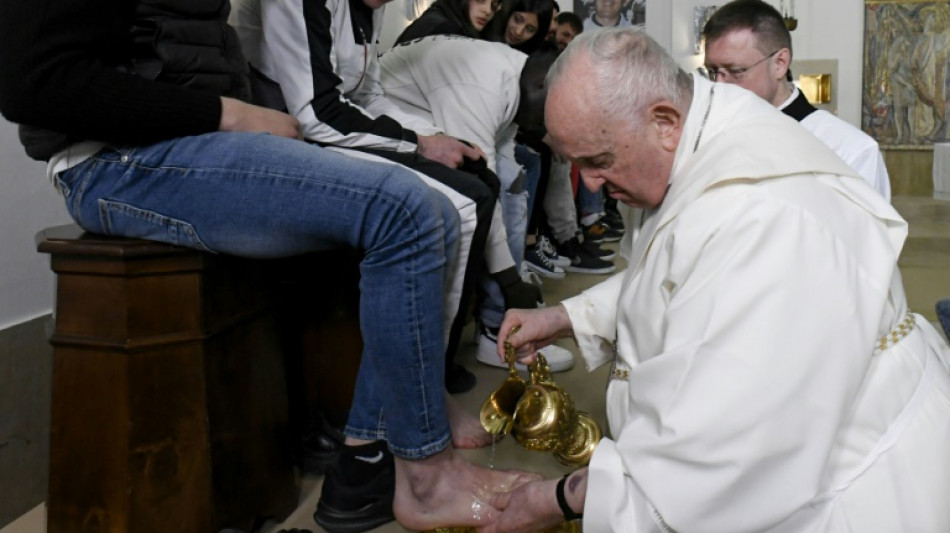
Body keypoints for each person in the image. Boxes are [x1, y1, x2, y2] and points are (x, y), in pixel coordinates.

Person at [0, 1, 539, 533]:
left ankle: (365, 462)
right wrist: (230, 113)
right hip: (114, 158)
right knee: (406, 211)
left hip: (188, 137)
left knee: (437, 211)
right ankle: (426, 478)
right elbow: (36, 84)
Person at [486, 27, 950, 532]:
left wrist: (561, 498)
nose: (590, 182)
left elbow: (722, 455)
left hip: (845, 488)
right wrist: (567, 315)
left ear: (664, 121)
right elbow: (677, 269)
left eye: (597, 161)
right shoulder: (705, 134)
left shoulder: (763, 218)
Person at [230, 0, 545, 396]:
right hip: (291, 126)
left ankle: (439, 359)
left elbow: (369, 94)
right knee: (466, 201)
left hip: (335, 122)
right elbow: (316, 112)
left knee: (479, 177)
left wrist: (435, 137)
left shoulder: (371, 8)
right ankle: (427, 378)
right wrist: (419, 142)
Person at [379, 36, 575, 372]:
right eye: (547, 118)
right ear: (541, 85)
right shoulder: (482, 83)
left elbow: (503, 168)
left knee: (513, 184)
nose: (544, 128)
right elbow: (483, 181)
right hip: (384, 120)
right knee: (477, 201)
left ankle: (505, 316)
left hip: (422, 120)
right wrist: (509, 280)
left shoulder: (517, 77)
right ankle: (483, 334)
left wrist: (514, 272)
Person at [703, 0, 892, 200]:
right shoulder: (709, 140)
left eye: (735, 70)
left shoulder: (851, 150)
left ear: (780, 63)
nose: (718, 85)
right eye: (712, 71)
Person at [395, 0, 499, 44]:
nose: (488, 11)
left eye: (493, 5)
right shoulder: (447, 30)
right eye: (480, 0)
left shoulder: (437, 15)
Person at [483, 0, 556, 53]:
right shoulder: (483, 35)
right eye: (517, 20)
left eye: (529, 29)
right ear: (509, 13)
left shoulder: (530, 63)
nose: (518, 32)